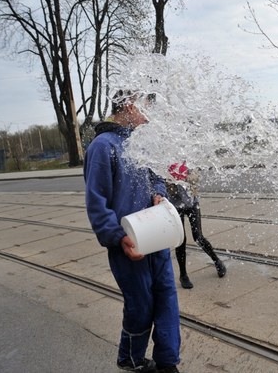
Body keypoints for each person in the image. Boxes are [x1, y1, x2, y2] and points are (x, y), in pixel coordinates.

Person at [84, 90, 181, 373]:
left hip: (156, 236)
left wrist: (159, 195)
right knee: (140, 307)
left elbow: (156, 179)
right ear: (127, 106)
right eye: (143, 106)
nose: (148, 113)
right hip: (128, 245)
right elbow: (96, 203)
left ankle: (167, 361)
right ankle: (131, 359)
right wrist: (117, 237)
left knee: (166, 299)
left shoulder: (141, 145)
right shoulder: (102, 147)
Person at [166, 161, 226, 289]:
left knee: (198, 236)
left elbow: (196, 178)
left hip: (192, 202)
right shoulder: (163, 161)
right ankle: (183, 275)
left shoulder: (187, 157)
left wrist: (186, 177)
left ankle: (217, 261)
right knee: (181, 240)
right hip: (174, 206)